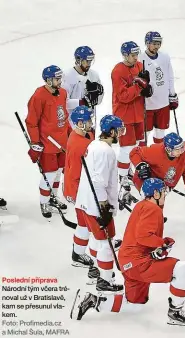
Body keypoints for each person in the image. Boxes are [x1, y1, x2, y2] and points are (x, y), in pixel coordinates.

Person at [71, 178, 185, 326]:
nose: (164, 196)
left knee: (135, 306)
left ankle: (93, 300)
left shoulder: (142, 206)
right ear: (155, 193)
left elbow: (141, 237)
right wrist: (162, 243)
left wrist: (157, 248)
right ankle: (175, 313)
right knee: (182, 269)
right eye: (163, 192)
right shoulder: (153, 209)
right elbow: (143, 236)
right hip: (139, 263)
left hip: (129, 263)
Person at [75, 115, 126, 292]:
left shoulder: (94, 144)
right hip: (96, 205)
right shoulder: (106, 151)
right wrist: (104, 208)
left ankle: (96, 270)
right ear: (111, 131)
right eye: (119, 130)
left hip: (85, 202)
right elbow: (98, 182)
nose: (121, 133)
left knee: (98, 240)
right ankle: (104, 281)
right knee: (105, 243)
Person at [26, 65, 70, 218]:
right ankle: (44, 202)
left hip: (62, 142)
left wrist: (70, 134)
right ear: (48, 80)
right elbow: (31, 122)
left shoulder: (63, 93)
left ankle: (53, 197)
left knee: (58, 173)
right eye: (57, 79)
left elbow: (64, 117)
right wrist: (35, 142)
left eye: (60, 78)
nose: (60, 81)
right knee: (49, 174)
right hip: (48, 144)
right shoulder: (38, 96)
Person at [111, 41, 153, 190]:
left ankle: (133, 170)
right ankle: (122, 176)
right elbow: (123, 96)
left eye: (137, 54)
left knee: (139, 145)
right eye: (133, 55)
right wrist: (139, 87)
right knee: (126, 147)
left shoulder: (140, 66)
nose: (136, 57)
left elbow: (145, 86)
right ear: (125, 55)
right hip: (124, 115)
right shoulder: (117, 71)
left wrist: (148, 88)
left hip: (139, 114)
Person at [129, 133, 185, 208]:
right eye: (177, 150)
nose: (181, 152)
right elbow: (135, 152)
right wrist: (140, 166)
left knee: (159, 203)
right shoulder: (155, 151)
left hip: (164, 183)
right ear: (168, 150)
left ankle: (157, 216)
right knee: (153, 202)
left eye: (182, 148)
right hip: (147, 179)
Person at [63, 106, 95, 269]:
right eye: (88, 120)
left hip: (80, 188)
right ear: (80, 123)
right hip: (79, 190)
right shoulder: (78, 145)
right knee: (85, 224)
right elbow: (76, 173)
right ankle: (78, 255)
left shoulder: (81, 136)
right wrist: (78, 194)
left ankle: (80, 251)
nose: (91, 122)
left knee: (87, 223)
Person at [139, 31, 178, 145]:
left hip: (163, 103)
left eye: (158, 43)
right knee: (145, 134)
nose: (156, 46)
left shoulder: (165, 57)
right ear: (147, 43)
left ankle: (158, 156)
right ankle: (143, 158)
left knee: (161, 132)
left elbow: (170, 76)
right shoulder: (140, 59)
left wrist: (172, 95)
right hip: (148, 104)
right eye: (154, 43)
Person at [62, 46, 104, 120]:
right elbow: (63, 102)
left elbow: (99, 100)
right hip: (74, 123)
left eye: (90, 61)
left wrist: (99, 93)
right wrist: (82, 102)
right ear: (78, 60)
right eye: (87, 61)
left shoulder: (94, 75)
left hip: (90, 121)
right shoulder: (67, 76)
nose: (89, 64)